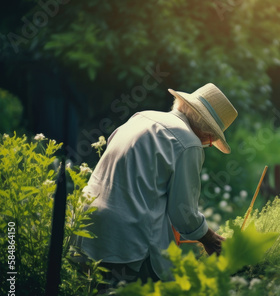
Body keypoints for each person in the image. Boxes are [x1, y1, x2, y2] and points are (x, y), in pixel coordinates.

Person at [76, 83, 238, 284]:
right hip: (126, 239)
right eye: (212, 140)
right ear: (209, 133)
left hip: (86, 224)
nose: (209, 143)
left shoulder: (141, 117)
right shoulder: (189, 143)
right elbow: (183, 213)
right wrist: (211, 240)